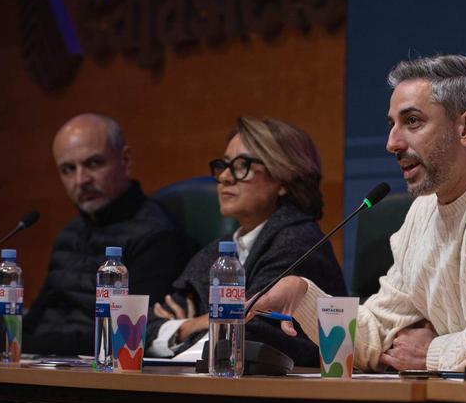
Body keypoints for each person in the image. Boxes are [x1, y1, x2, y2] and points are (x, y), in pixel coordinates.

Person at [250, 54, 466, 371]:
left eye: (412, 122)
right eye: (392, 124)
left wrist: (430, 352)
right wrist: (302, 295)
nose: (392, 143)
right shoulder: (423, 212)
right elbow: (370, 340)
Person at [0, 114, 194, 357]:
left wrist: (13, 342)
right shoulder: (70, 233)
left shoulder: (158, 236)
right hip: (39, 364)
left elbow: (128, 336)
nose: (81, 180)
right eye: (68, 169)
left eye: (94, 164)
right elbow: (39, 318)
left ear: (125, 160)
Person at [146, 117, 346, 367]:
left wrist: (190, 325)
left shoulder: (299, 242)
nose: (225, 177)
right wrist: (194, 326)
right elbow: (149, 328)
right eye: (223, 165)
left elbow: (249, 337)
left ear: (283, 179)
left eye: (242, 166)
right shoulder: (218, 250)